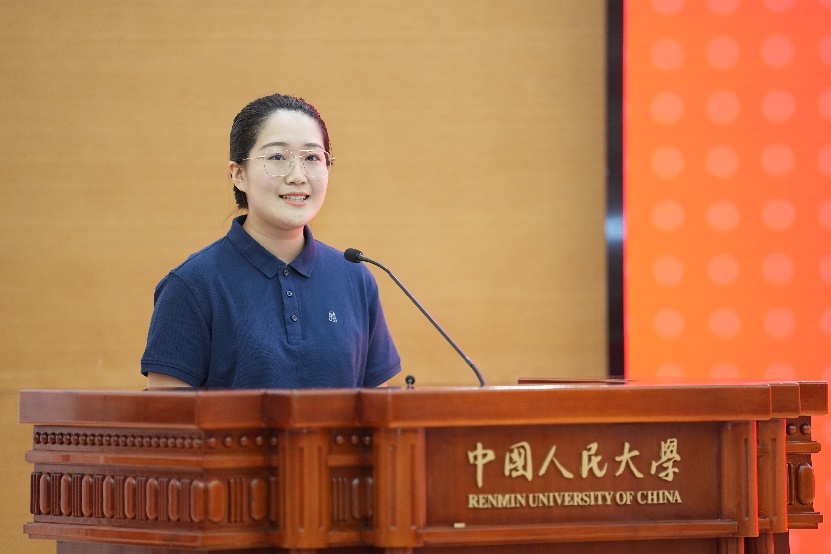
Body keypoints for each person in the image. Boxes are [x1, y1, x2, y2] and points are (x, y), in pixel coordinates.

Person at [141, 93, 401, 389]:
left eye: (312, 158)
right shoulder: (192, 285)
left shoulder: (354, 278)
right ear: (239, 174)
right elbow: (166, 415)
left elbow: (380, 407)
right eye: (277, 157)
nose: (298, 176)